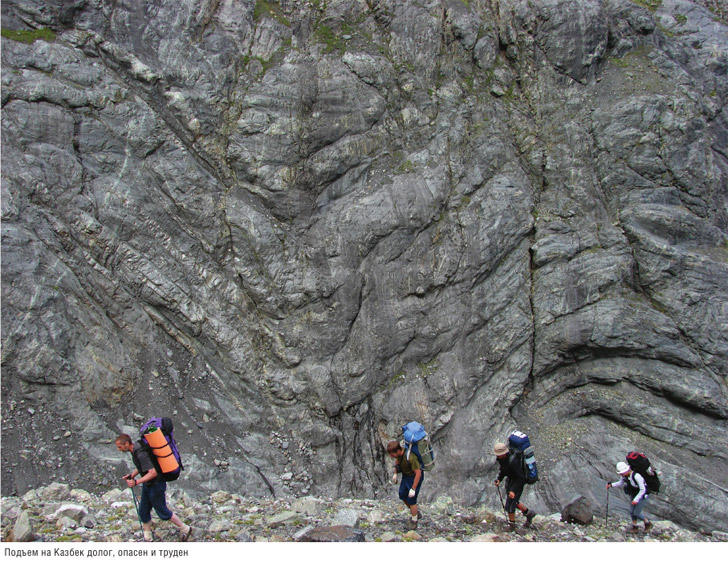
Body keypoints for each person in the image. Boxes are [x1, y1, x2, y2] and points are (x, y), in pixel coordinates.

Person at [115, 433, 192, 542]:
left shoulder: (140, 453)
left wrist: (136, 482)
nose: (119, 449)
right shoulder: (136, 449)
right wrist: (132, 476)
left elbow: (153, 472)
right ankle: (148, 538)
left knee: (162, 511)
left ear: (127, 443)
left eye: (120, 446)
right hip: (149, 485)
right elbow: (142, 466)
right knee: (143, 510)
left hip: (156, 484)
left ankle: (185, 528)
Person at [493, 442, 536, 530]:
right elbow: (503, 470)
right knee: (514, 502)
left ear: (504, 454)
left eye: (499, 455)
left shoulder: (513, 462)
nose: (497, 456)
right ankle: (528, 513)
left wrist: (513, 490)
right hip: (511, 480)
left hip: (517, 482)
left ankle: (512, 525)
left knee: (510, 504)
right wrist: (499, 479)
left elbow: (521, 478)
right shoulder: (503, 460)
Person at [607, 461, 653, 534]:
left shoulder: (637, 476)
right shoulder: (625, 476)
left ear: (627, 470)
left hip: (642, 495)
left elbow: (643, 489)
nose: (621, 474)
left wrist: (636, 500)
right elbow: (620, 483)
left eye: (622, 473)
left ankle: (648, 524)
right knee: (632, 512)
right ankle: (635, 527)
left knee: (637, 513)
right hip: (634, 494)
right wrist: (611, 485)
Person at [387, 440, 424, 530]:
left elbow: (418, 473)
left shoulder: (410, 457)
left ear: (398, 451)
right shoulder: (399, 455)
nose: (391, 456)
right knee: (402, 495)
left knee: (411, 499)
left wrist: (413, 488)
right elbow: (397, 462)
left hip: (414, 477)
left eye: (392, 454)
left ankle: (414, 521)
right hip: (406, 476)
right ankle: (415, 512)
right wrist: (395, 473)